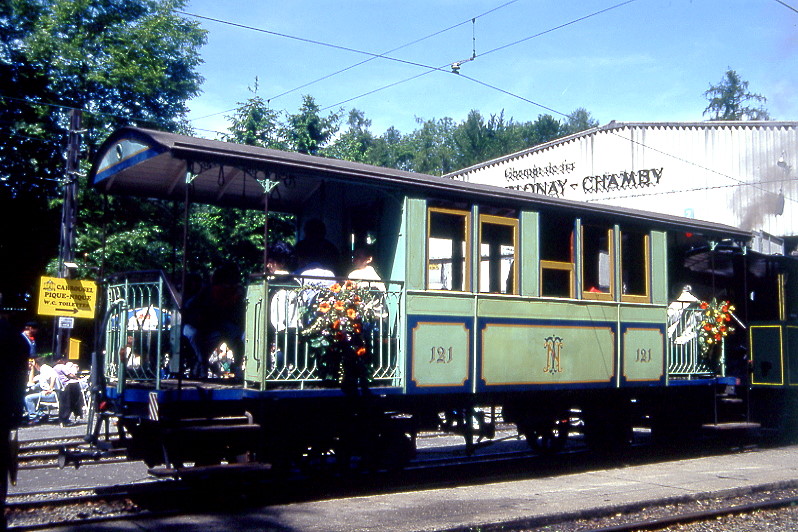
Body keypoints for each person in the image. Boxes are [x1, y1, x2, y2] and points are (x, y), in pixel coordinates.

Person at [182, 263, 245, 380]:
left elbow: (222, 307)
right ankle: (202, 363)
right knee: (195, 335)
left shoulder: (217, 290)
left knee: (232, 336)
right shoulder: (201, 292)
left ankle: (235, 366)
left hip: (211, 324)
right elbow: (188, 307)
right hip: (194, 324)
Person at [53, 356, 84, 426]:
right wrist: (78, 377)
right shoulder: (61, 366)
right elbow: (70, 375)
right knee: (81, 388)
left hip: (62, 387)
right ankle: (78, 411)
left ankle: (76, 412)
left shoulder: (54, 368)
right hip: (69, 385)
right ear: (60, 360)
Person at [23, 357, 57, 422]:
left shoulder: (45, 368)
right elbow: (31, 381)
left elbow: (53, 376)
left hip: (52, 394)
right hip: (49, 394)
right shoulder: (42, 371)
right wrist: (32, 368)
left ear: (36, 364)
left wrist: (51, 388)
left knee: (28, 398)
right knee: (32, 395)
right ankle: (40, 413)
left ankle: (33, 418)